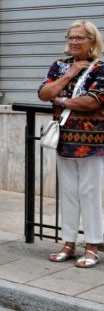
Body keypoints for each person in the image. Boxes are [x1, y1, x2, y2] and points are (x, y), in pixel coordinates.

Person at [37, 20, 103, 269]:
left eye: (80, 38)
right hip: (64, 140)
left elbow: (94, 101)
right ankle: (68, 243)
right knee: (68, 193)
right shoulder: (60, 66)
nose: (74, 41)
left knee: (89, 193)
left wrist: (62, 101)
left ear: (92, 41)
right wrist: (70, 74)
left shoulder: (101, 68)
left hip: (92, 142)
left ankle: (93, 245)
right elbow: (44, 93)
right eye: (71, 37)